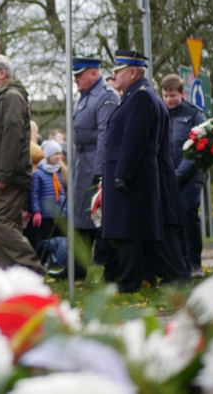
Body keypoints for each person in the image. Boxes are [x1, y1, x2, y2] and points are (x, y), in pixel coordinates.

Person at [101, 51, 187, 293]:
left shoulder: (140, 97)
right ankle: (146, 278)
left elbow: (134, 139)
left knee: (128, 229)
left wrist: (122, 173)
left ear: (132, 72)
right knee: (134, 231)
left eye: (118, 71)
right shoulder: (137, 95)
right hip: (134, 172)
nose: (114, 76)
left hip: (132, 174)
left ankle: (131, 282)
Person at [0, 55, 43, 272]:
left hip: (2, 177)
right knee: (2, 226)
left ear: (1, 74)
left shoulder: (10, 97)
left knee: (0, 224)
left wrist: (4, 174)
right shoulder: (3, 97)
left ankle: (33, 269)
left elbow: (12, 137)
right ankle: (11, 277)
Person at [70, 56, 118, 277]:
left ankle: (104, 263)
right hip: (81, 161)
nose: (76, 80)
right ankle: (77, 267)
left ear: (93, 73)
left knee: (96, 215)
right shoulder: (84, 96)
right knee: (80, 215)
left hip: (94, 161)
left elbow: (104, 135)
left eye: (80, 75)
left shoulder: (105, 96)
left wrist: (99, 170)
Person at [160, 74, 207, 277]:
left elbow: (197, 149)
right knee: (172, 220)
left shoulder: (194, 114)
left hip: (190, 176)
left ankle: (194, 262)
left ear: (182, 94)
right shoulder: (160, 113)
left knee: (188, 214)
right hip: (167, 177)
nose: (169, 100)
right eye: (166, 96)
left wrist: (176, 176)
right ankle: (179, 262)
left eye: (173, 96)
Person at [28, 139, 67, 255]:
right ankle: (44, 259)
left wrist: (66, 209)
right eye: (56, 154)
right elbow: (34, 194)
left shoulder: (60, 173)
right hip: (46, 214)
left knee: (60, 239)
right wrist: (37, 212)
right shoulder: (38, 174)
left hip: (60, 213)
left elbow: (64, 193)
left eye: (60, 153)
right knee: (46, 239)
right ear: (48, 155)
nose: (59, 156)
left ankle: (58, 260)